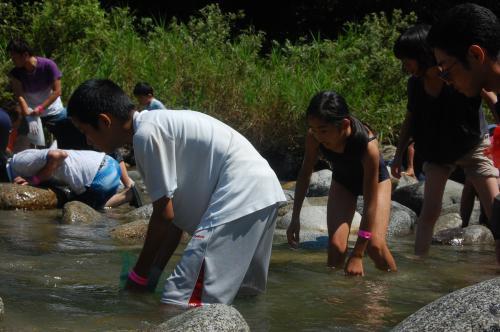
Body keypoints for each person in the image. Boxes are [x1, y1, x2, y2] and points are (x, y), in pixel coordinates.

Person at [67, 79, 286, 307]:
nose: (87, 140)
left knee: (180, 302)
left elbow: (164, 215)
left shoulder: (146, 135)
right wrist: (154, 273)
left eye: (86, 131)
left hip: (240, 196)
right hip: (263, 193)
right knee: (243, 297)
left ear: (104, 121)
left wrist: (138, 275)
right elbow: (175, 220)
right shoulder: (157, 125)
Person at [392, 24, 499, 257]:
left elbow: (489, 94)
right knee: (429, 212)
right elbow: (409, 119)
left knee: (494, 208)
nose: (405, 66)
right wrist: (399, 154)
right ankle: (419, 261)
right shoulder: (415, 84)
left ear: (422, 55)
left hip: (472, 145)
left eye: (406, 60)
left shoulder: (456, 72)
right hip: (436, 151)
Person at [286, 91, 397, 276]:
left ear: (344, 124)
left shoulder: (367, 146)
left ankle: (391, 282)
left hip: (376, 182)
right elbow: (305, 173)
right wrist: (295, 217)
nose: (318, 136)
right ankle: (338, 297)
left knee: (375, 246)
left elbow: (370, 204)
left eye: (323, 130)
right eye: (313, 129)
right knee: (336, 248)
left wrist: (358, 254)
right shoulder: (314, 136)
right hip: (343, 181)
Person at [5, 148, 123, 210]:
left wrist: (35, 180)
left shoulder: (18, 162)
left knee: (77, 209)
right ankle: (127, 193)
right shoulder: (21, 161)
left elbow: (58, 155)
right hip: (109, 164)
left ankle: (127, 196)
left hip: (101, 174)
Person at [7, 38, 67, 146]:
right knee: (22, 139)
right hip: (30, 112)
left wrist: (41, 108)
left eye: (14, 57)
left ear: (25, 55)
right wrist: (28, 115)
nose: (12, 61)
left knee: (69, 130)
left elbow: (57, 91)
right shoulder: (15, 73)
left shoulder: (48, 65)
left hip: (52, 109)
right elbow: (19, 95)